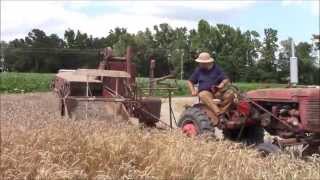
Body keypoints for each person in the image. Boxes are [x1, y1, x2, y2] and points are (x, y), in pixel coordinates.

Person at [187, 52, 231, 126]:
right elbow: (190, 81)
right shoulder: (199, 70)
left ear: (208, 62)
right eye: (200, 62)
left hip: (217, 92)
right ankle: (219, 114)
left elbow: (226, 79)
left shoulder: (217, 69)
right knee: (202, 94)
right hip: (206, 93)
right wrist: (193, 91)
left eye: (201, 63)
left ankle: (224, 112)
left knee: (231, 93)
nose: (200, 64)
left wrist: (221, 85)